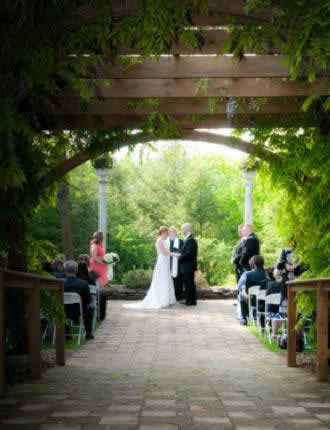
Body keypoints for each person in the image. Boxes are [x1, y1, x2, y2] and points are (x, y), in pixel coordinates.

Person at [123, 226, 177, 310]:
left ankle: (167, 299)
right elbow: (165, 253)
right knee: (162, 279)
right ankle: (162, 300)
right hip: (162, 261)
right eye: (167, 233)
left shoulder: (164, 240)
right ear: (163, 232)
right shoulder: (159, 241)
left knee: (166, 279)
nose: (167, 234)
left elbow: (167, 251)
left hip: (165, 261)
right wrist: (175, 254)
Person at [63, 260, 94, 340]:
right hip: (79, 311)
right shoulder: (83, 283)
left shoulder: (60, 283)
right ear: (76, 270)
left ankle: (67, 333)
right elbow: (88, 300)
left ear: (65, 270)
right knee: (90, 307)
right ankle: (88, 333)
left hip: (63, 311)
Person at [238, 255, 266, 325]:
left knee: (241, 294)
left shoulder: (247, 274)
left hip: (252, 300)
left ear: (253, 264)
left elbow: (239, 287)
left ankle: (244, 318)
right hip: (265, 300)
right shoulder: (268, 273)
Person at [178, 223, 198, 306]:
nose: (182, 230)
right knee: (188, 283)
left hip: (188, 266)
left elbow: (189, 254)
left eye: (183, 229)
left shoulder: (191, 240)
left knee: (189, 284)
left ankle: (190, 301)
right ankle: (189, 299)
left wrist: (179, 257)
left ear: (187, 229)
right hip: (186, 265)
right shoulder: (187, 239)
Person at [167, 226, 184, 300]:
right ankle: (169, 296)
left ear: (176, 233)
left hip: (178, 263)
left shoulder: (181, 242)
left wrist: (179, 254)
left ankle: (178, 296)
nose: (172, 233)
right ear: (169, 233)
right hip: (167, 263)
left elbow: (183, 252)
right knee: (168, 280)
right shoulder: (166, 241)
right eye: (170, 232)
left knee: (178, 280)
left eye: (174, 231)